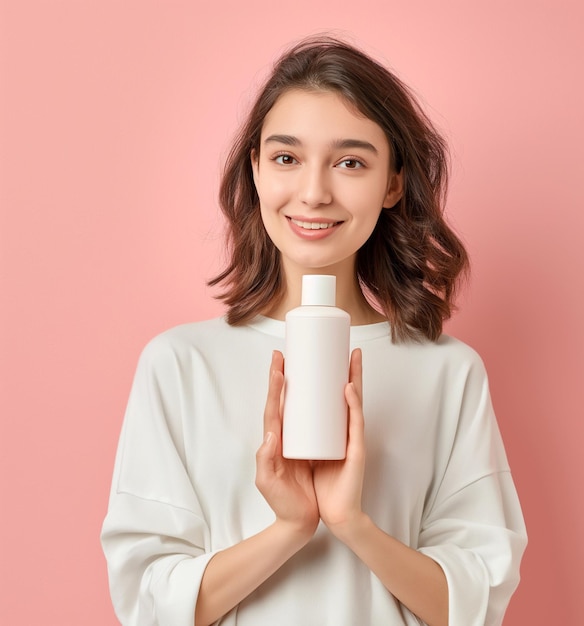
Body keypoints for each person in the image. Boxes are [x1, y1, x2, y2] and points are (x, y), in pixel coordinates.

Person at [101, 36, 527, 626]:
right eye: (286, 158)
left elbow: (473, 605)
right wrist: (291, 527)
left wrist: (354, 524)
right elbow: (148, 603)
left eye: (351, 161)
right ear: (254, 169)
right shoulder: (180, 364)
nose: (314, 192)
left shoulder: (447, 372)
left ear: (393, 182)